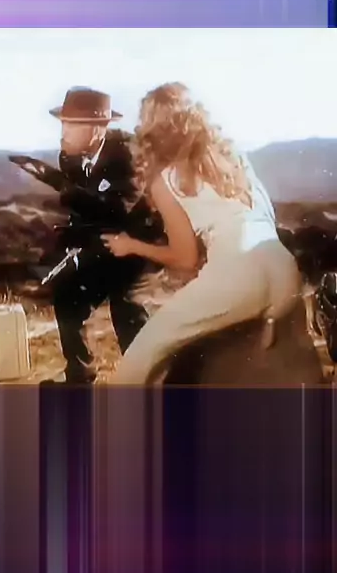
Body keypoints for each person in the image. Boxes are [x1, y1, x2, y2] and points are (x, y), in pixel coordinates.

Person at [101, 82, 301, 385]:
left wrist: (131, 246)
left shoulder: (166, 179)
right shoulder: (235, 158)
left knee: (137, 363)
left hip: (239, 276)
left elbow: (185, 259)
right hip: (284, 271)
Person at [44, 86, 164, 385]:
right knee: (68, 295)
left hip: (139, 248)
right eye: (63, 124)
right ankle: (79, 377)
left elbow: (117, 209)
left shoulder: (131, 155)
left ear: (96, 129)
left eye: (70, 126)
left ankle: (149, 383)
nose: (63, 134)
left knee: (127, 309)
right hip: (106, 245)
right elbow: (85, 210)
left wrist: (61, 186)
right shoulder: (70, 156)